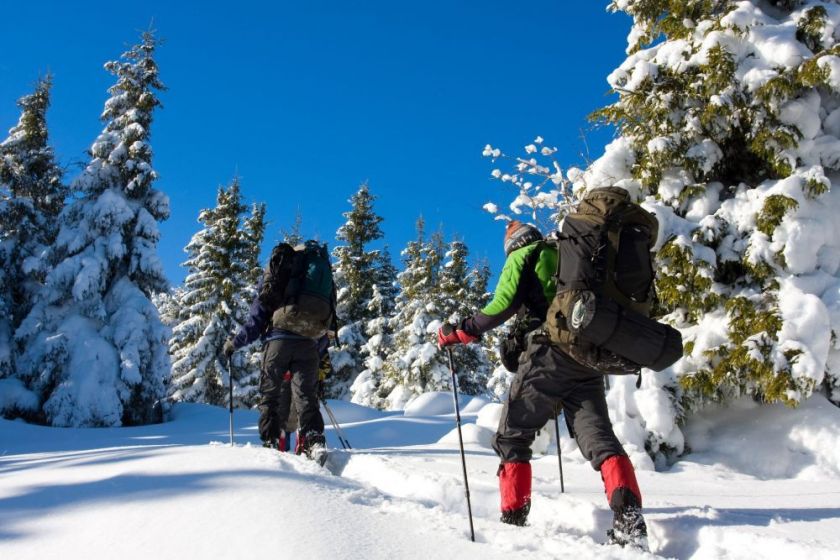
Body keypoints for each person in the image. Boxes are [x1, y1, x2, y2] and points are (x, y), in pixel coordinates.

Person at [437, 220, 648, 549]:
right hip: (587, 354)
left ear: (512, 245)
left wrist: (463, 330)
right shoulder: (566, 255)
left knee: (512, 435)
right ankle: (629, 520)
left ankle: (513, 522)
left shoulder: (525, 255)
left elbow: (502, 305)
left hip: (549, 353)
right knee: (599, 437)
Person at [223, 240, 335, 463]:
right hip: (309, 345)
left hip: (278, 342)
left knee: (271, 395)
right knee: (306, 395)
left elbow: (257, 319)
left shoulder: (278, 273)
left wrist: (234, 343)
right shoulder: (320, 280)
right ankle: (314, 440)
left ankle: (272, 440)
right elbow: (327, 325)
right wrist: (318, 351)